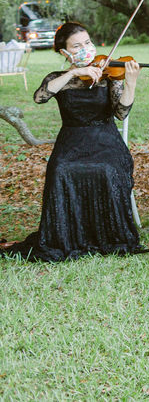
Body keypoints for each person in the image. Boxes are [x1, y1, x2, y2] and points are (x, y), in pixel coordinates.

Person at [1, 22, 141, 261]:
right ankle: (66, 236)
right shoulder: (58, 78)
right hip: (72, 140)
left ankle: (108, 235)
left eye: (88, 42)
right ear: (65, 53)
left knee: (107, 169)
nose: (86, 48)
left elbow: (121, 113)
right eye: (77, 46)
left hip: (105, 139)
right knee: (60, 170)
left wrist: (130, 82)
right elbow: (40, 97)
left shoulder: (109, 75)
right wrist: (74, 73)